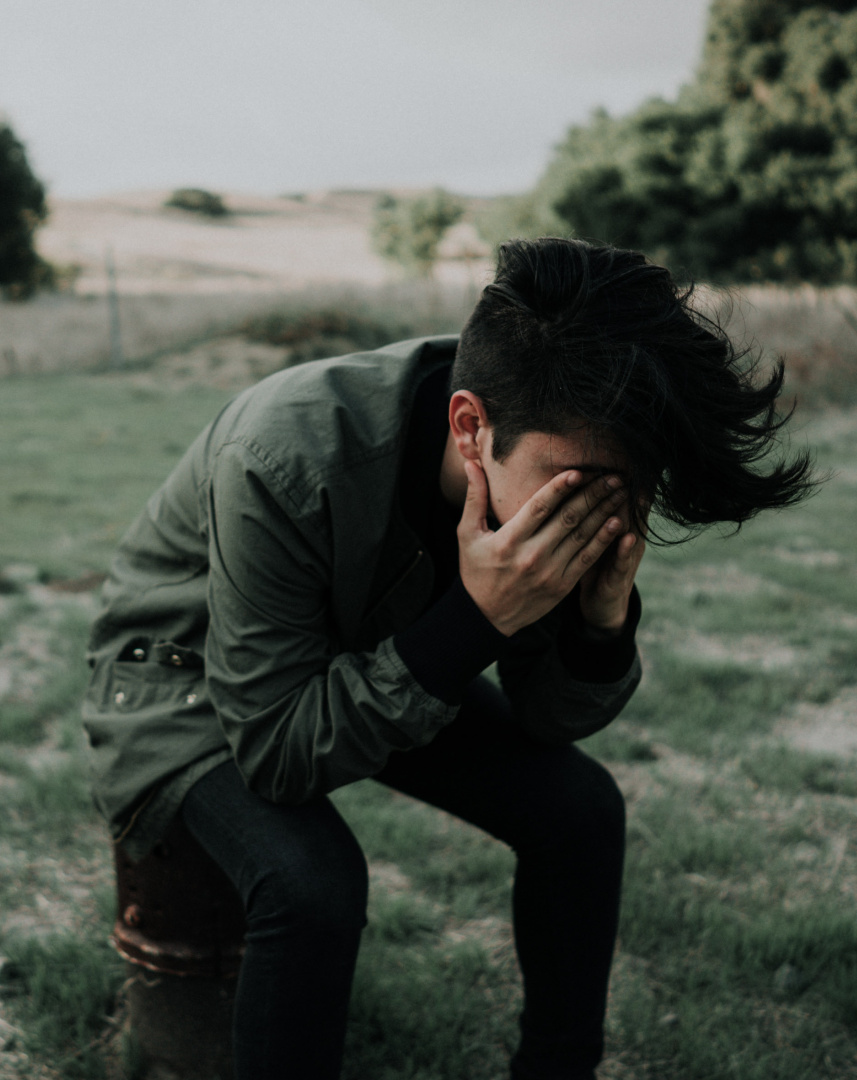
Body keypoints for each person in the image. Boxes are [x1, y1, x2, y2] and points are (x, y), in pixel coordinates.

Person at [82, 237, 815, 1079]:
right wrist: (475, 619)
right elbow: (277, 751)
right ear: (471, 427)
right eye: (580, 485)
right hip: (183, 680)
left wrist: (598, 627)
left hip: (368, 656)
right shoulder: (282, 453)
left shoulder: (541, 458)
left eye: (630, 487)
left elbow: (549, 719)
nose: (602, 513)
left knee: (581, 810)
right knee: (312, 883)